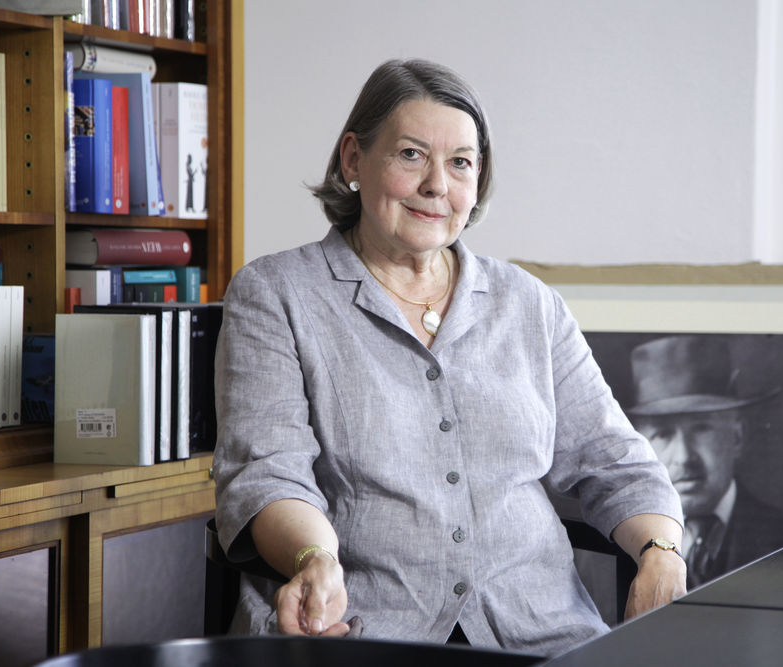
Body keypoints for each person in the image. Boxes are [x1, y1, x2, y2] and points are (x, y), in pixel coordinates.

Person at [212, 58, 685, 656]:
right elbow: (268, 470)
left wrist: (661, 552)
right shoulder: (276, 293)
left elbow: (614, 460)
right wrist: (315, 558)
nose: (437, 184)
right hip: (360, 631)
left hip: (542, 634)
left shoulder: (529, 303)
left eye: (460, 162)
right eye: (411, 155)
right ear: (354, 160)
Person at [624, 335, 783, 588]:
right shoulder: (615, 549)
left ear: (737, 437)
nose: (684, 458)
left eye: (702, 429)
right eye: (663, 434)